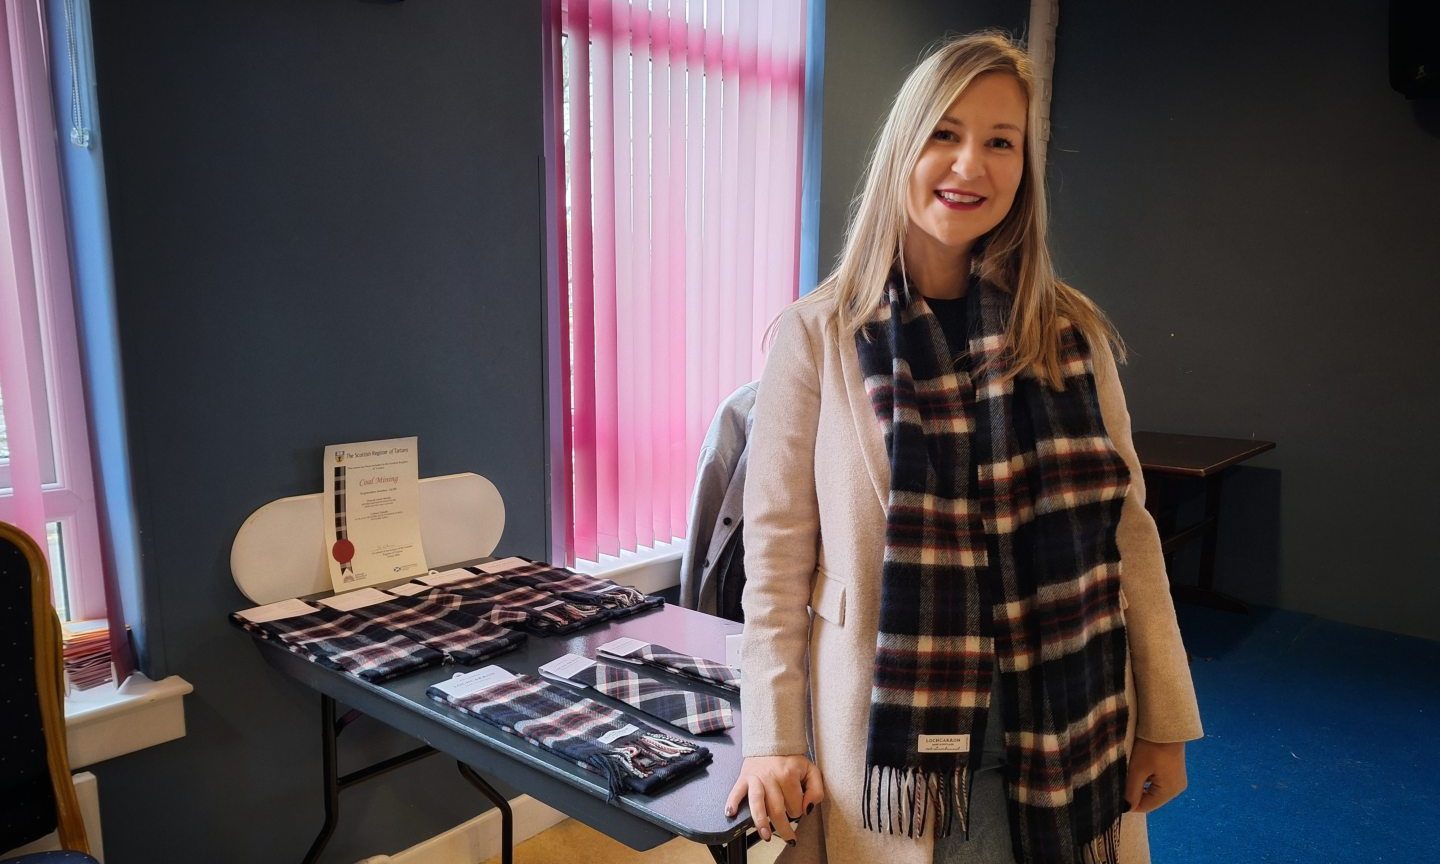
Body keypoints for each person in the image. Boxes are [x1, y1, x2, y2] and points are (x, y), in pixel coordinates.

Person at [724, 31, 1203, 864]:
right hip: (896, 730)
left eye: (1000, 142)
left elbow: (1130, 535)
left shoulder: (1067, 330)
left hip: (1065, 718)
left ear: (1024, 168)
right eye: (945, 133)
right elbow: (777, 560)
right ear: (904, 144)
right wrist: (769, 733)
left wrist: (1164, 722)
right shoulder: (820, 335)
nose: (969, 165)